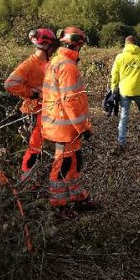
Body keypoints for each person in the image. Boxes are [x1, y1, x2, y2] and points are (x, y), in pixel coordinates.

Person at [42, 26, 98, 217]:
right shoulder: (67, 66)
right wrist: (84, 128)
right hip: (64, 126)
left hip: (62, 125)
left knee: (74, 161)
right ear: (77, 44)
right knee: (63, 164)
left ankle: (78, 198)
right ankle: (58, 205)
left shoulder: (58, 61)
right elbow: (71, 101)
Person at [4, 28, 58, 192]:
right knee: (33, 147)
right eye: (52, 46)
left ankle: (32, 179)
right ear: (46, 45)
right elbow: (10, 84)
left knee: (38, 146)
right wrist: (32, 93)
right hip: (32, 112)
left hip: (45, 110)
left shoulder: (47, 63)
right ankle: (26, 181)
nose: (54, 49)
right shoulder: (30, 64)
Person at [110, 35, 140, 153]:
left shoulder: (120, 57)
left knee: (124, 116)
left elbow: (115, 74)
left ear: (125, 44)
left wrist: (113, 88)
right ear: (135, 43)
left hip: (125, 91)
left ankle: (121, 142)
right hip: (139, 89)